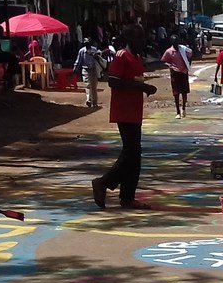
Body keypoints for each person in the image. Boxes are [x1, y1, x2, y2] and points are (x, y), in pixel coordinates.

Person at [93, 25, 160, 210]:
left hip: (134, 111)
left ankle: (127, 197)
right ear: (130, 39)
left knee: (135, 155)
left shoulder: (137, 58)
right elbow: (113, 81)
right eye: (139, 38)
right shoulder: (122, 56)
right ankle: (103, 182)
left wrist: (142, 86)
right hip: (124, 111)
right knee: (130, 153)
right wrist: (141, 88)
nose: (143, 41)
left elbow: (134, 80)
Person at [162, 38, 192, 119]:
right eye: (175, 42)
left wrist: (188, 62)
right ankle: (177, 111)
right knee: (176, 93)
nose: (177, 44)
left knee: (184, 92)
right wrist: (170, 66)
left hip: (183, 72)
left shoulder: (183, 49)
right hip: (175, 73)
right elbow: (164, 60)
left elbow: (190, 55)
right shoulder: (169, 51)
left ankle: (183, 108)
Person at [74, 39, 107, 108]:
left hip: (94, 69)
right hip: (86, 70)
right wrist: (76, 67)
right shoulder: (82, 51)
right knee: (88, 85)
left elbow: (99, 57)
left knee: (94, 86)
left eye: (88, 43)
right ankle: (89, 100)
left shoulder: (94, 50)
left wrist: (96, 55)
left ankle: (94, 102)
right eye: (86, 44)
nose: (87, 45)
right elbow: (79, 60)